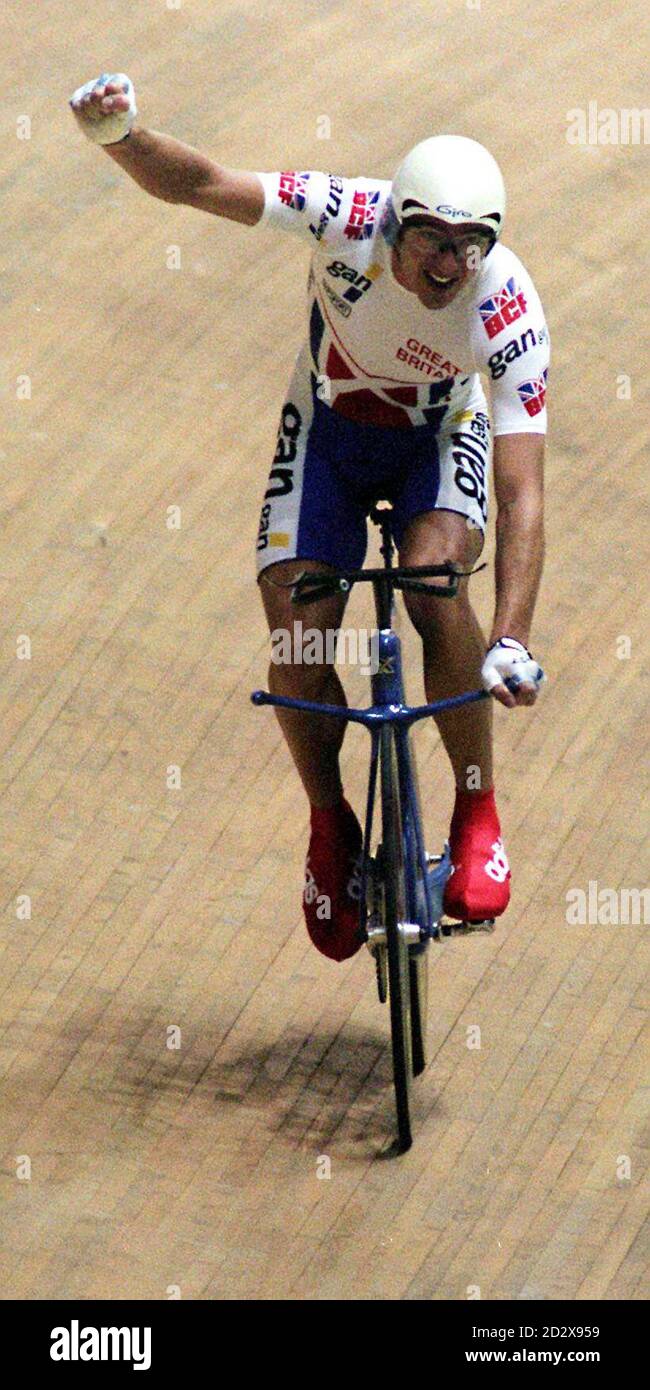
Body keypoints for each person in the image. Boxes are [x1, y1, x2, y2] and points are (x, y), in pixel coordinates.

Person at [70, 74, 549, 963]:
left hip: (437, 440)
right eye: (430, 240)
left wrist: (512, 638)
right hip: (328, 432)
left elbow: (523, 491)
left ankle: (477, 814)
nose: (448, 263)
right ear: (393, 223)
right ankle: (330, 827)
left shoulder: (507, 307)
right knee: (296, 635)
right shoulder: (344, 213)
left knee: (434, 579)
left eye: (468, 246)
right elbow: (201, 183)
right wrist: (120, 135)